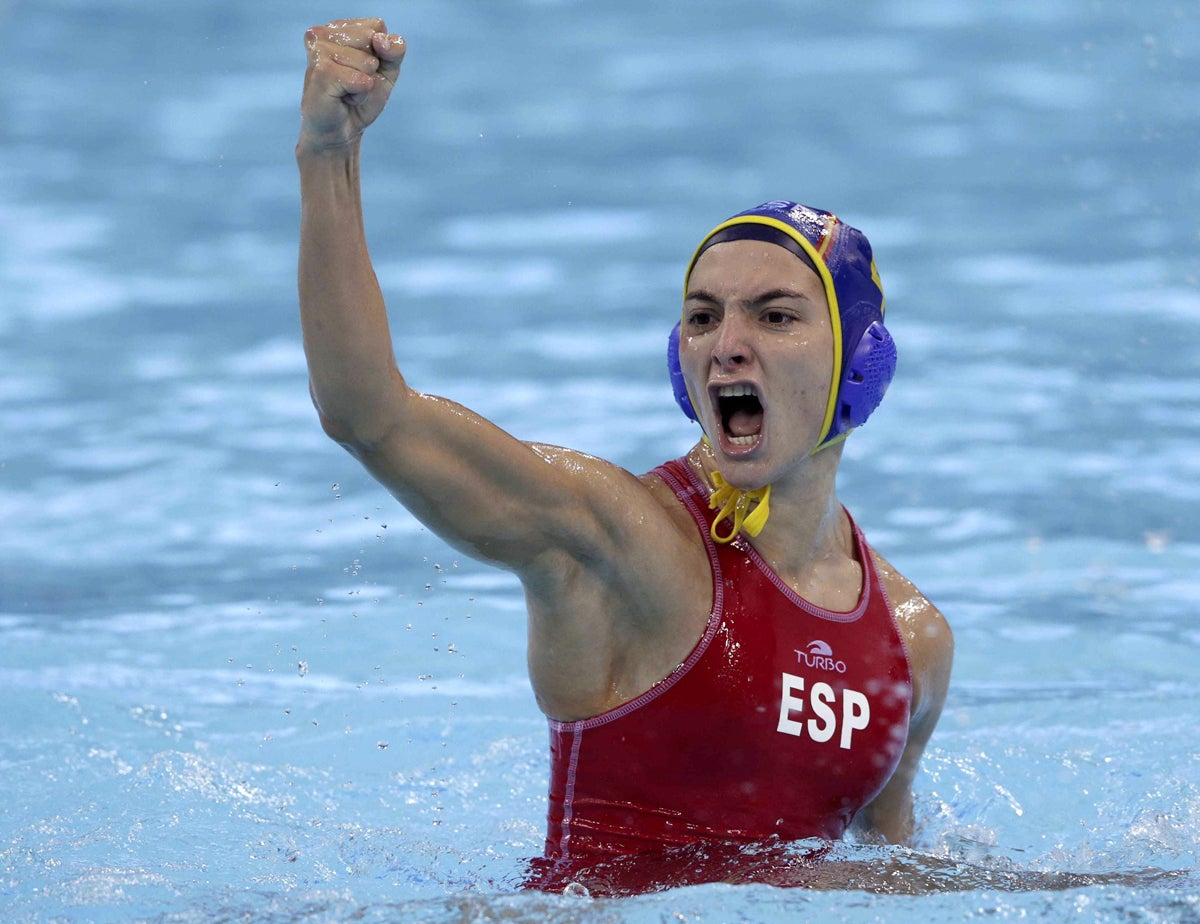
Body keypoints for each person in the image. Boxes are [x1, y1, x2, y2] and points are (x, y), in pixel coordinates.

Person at [296, 17, 953, 894]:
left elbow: (892, 879)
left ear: (859, 365)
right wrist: (328, 156)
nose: (727, 344)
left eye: (777, 315)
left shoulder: (912, 644)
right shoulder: (619, 541)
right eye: (702, 315)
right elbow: (367, 412)